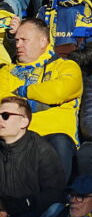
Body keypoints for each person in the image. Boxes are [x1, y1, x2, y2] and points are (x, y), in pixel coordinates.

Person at [0, 17, 83, 179]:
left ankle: (54, 201)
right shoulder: (6, 71)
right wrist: (45, 102)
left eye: (24, 40)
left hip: (54, 138)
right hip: (16, 140)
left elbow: (60, 90)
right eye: (16, 40)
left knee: (60, 142)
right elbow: (3, 102)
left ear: (43, 41)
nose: (18, 44)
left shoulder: (67, 66)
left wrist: (22, 91)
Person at [0, 96, 66, 217]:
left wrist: (24, 204)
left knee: (56, 209)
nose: (0, 119)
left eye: (5, 115)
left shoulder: (42, 150)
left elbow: (55, 193)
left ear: (24, 122)